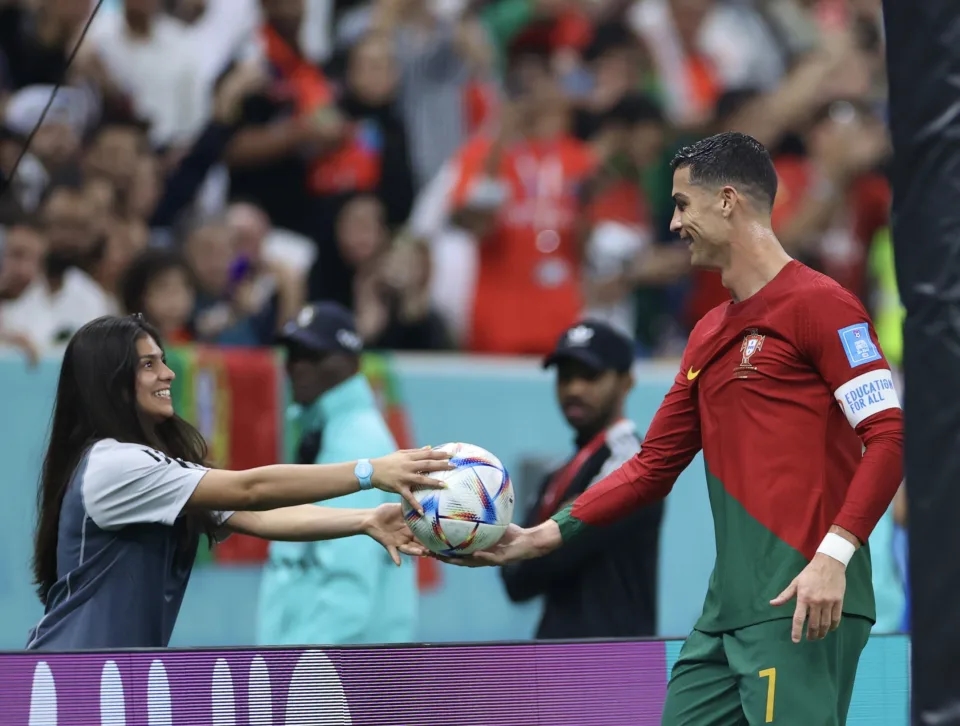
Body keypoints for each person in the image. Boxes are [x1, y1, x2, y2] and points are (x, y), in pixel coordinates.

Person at [414, 133, 905, 725]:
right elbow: (649, 467)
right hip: (725, 617)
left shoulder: (824, 306)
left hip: (802, 601)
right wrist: (540, 536)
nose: (673, 224)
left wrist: (834, 557)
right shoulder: (706, 334)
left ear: (727, 201)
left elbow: (889, 437)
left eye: (682, 205)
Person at [27, 314, 449, 651]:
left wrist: (363, 521)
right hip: (68, 685)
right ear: (111, 383)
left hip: (114, 683)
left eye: (164, 360)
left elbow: (261, 515)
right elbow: (252, 489)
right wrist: (369, 472)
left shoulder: (147, 468)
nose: (169, 374)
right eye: (148, 364)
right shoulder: (115, 465)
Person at [257, 302, 417, 645]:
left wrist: (295, 671)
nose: (296, 365)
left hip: (332, 668)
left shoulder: (357, 439)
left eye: (313, 355)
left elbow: (347, 582)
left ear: (351, 362)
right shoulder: (326, 430)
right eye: (292, 352)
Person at [501, 319, 663, 638]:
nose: (574, 389)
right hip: (558, 661)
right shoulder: (559, 473)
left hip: (616, 666)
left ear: (626, 381)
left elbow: (555, 551)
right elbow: (517, 581)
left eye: (590, 376)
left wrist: (522, 547)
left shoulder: (635, 463)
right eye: (565, 376)